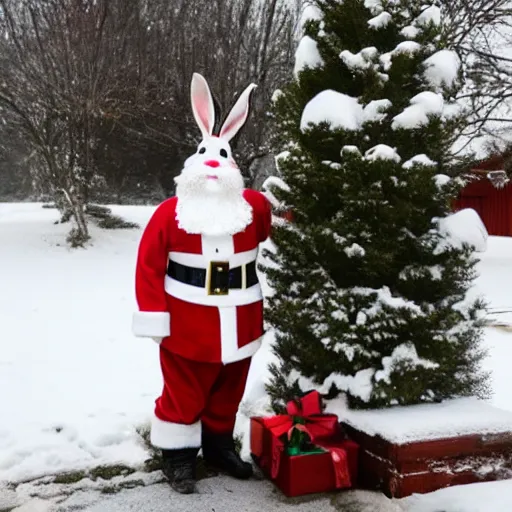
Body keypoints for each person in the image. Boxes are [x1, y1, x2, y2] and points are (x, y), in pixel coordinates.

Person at [132, 72, 272, 494]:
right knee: (184, 392)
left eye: (222, 156)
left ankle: (217, 447)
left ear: (232, 167)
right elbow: (149, 266)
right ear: (193, 163)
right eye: (205, 155)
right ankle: (176, 457)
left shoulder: (252, 208)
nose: (213, 165)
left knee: (229, 390)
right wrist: (154, 317)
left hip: (242, 321)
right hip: (188, 324)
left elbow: (273, 234)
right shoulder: (169, 213)